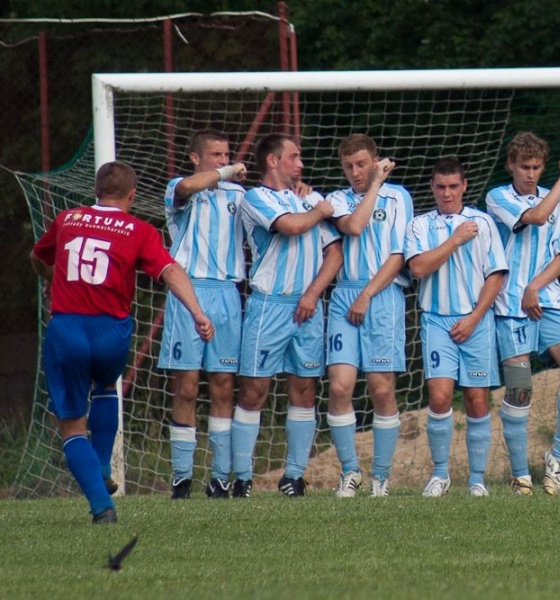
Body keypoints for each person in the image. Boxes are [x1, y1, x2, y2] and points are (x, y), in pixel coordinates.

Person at [30, 161, 213, 524]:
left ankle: (102, 507)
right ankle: (100, 465)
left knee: (70, 424)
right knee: (106, 385)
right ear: (132, 195)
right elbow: (171, 271)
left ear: (94, 192)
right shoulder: (140, 230)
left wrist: (50, 277)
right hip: (112, 332)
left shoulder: (67, 220)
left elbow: (37, 257)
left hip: (68, 329)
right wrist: (197, 312)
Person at [232, 133, 342, 498]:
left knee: (305, 387)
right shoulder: (256, 198)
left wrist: (313, 294)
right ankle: (242, 477)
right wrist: (319, 210)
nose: (301, 163)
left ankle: (294, 476)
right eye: (294, 156)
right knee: (254, 390)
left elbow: (335, 254)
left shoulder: (310, 199)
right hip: (270, 305)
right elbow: (292, 226)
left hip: (309, 306)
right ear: (273, 161)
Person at [485, 132, 560, 496]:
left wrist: (535, 285)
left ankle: (557, 458)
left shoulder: (558, 201)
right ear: (511, 165)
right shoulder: (498, 197)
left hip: (548, 301)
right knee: (519, 387)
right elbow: (537, 217)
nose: (531, 174)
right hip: (509, 306)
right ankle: (519, 475)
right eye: (524, 167)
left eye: (537, 167)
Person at [405, 156, 508, 497]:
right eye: (440, 187)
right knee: (439, 397)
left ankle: (477, 479)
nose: (447, 194)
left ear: (464, 186)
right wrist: (454, 240)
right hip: (437, 320)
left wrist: (475, 317)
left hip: (475, 321)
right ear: (432, 188)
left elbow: (496, 275)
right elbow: (418, 268)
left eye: (453, 187)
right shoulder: (420, 226)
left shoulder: (483, 222)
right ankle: (440, 475)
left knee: (478, 401)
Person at [157, 129, 247, 500]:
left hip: (227, 293)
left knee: (224, 385)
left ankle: (220, 477)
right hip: (187, 290)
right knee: (187, 386)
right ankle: (181, 478)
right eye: (215, 155)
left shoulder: (239, 195)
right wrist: (224, 174)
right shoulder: (180, 187)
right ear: (196, 158)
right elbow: (188, 188)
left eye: (226, 155)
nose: (223, 162)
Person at [324, 134, 414, 498]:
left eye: (362, 164)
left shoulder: (399, 197)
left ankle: (381, 477)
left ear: (375, 160)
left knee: (381, 388)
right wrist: (375, 182)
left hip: (383, 295)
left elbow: (398, 255)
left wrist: (368, 294)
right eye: (348, 166)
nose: (355, 172)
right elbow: (355, 226)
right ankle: (350, 473)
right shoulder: (337, 200)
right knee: (340, 386)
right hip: (345, 293)